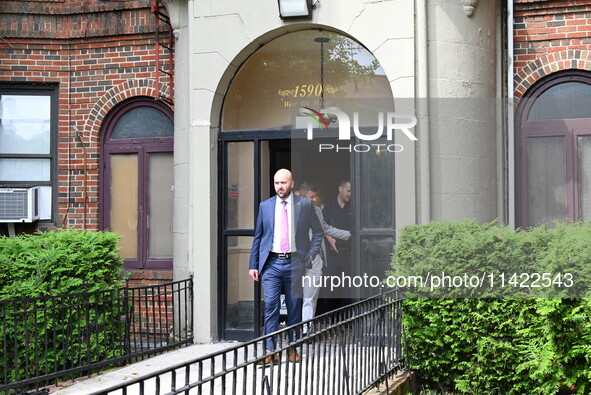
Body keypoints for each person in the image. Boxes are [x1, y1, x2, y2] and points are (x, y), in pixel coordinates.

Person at [248, 169, 323, 364]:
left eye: (283, 183)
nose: (279, 187)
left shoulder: (304, 205)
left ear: (291, 183)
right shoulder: (265, 206)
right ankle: (269, 350)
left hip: (295, 263)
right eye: (276, 183)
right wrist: (253, 264)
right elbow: (258, 237)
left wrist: (310, 255)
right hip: (271, 263)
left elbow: (318, 232)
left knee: (294, 308)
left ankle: (293, 348)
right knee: (271, 306)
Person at [298, 182, 351, 328]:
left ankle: (305, 331)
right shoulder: (290, 211)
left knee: (310, 298)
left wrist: (350, 235)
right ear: (302, 196)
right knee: (296, 299)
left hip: (315, 260)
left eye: (315, 196)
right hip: (295, 260)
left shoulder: (317, 211)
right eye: (312, 197)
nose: (315, 200)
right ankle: (294, 330)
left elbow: (326, 228)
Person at [321, 180, 352, 312]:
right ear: (340, 188)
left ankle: (347, 321)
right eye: (348, 191)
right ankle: (329, 321)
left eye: (351, 192)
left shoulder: (353, 206)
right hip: (331, 253)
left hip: (349, 252)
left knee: (348, 288)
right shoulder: (329, 204)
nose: (350, 194)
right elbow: (322, 225)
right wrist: (329, 239)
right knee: (330, 288)